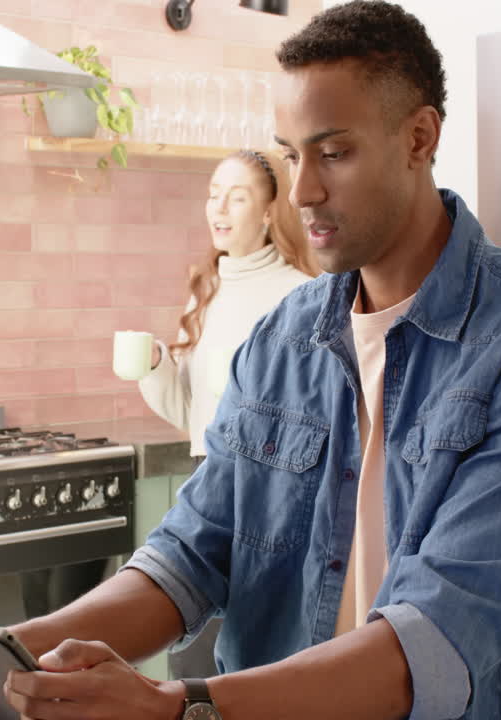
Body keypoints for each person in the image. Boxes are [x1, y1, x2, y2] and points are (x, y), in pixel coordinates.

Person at [0, 2, 501, 719]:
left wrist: (178, 707)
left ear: (419, 138)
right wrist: (9, 653)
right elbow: (191, 556)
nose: (303, 191)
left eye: (334, 152)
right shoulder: (283, 336)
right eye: (292, 155)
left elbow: (434, 643)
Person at [136, 148, 318, 679]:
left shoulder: (299, 295)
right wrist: (154, 368)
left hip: (273, 496)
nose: (219, 207)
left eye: (237, 197)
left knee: (254, 660)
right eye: (214, 194)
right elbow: (189, 416)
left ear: (267, 213)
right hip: (208, 484)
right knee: (192, 657)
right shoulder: (206, 289)